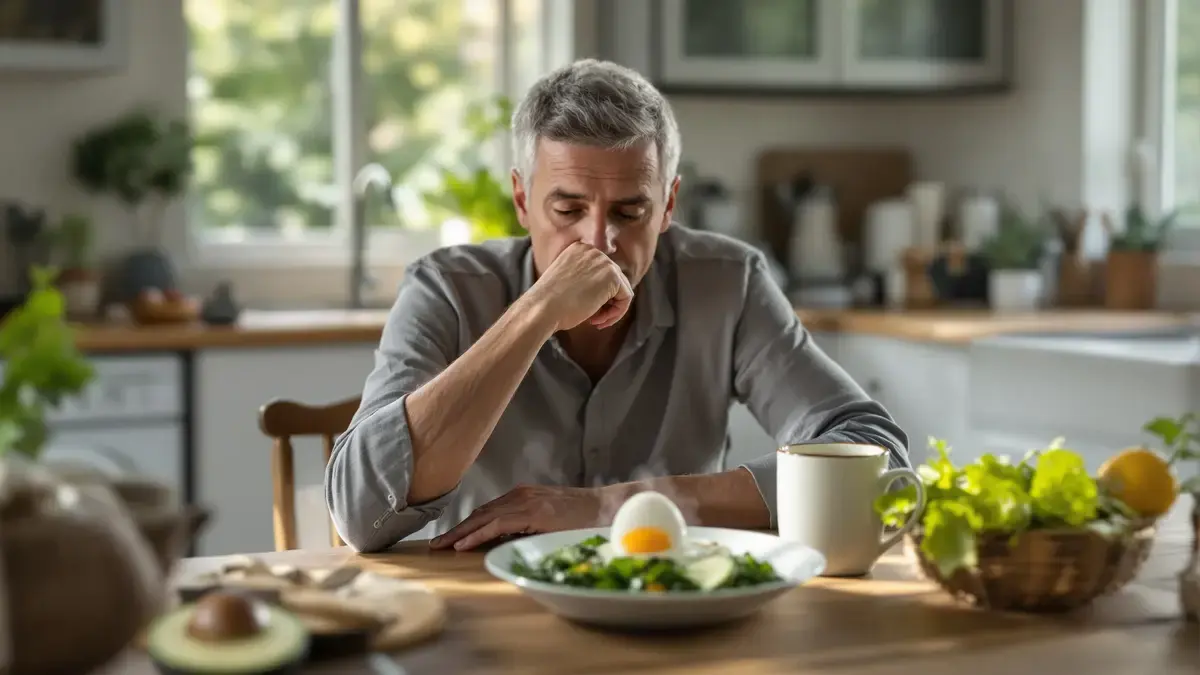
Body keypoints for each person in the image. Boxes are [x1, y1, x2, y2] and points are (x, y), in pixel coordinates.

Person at [325, 58, 909, 553]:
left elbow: (877, 457)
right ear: (523, 200)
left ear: (669, 205)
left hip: (672, 609)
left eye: (629, 212)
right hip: (490, 613)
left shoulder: (729, 283)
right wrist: (538, 311)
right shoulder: (445, 289)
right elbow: (358, 513)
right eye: (567, 209)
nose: (598, 241)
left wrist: (605, 508)